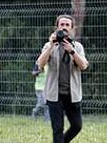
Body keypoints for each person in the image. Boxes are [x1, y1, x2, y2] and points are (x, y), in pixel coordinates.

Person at [36, 14, 89, 143]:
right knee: (57, 129)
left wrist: (72, 51)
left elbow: (83, 66)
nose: (64, 27)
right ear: (57, 27)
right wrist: (50, 46)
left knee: (77, 126)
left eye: (67, 25)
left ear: (72, 29)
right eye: (62, 25)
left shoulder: (77, 47)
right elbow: (40, 64)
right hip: (54, 94)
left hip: (72, 94)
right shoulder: (49, 46)